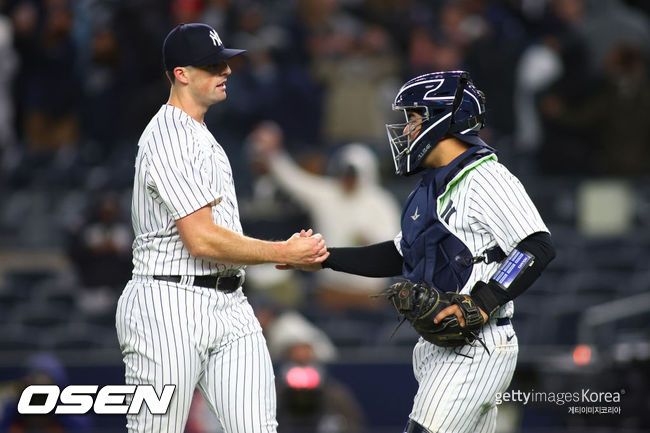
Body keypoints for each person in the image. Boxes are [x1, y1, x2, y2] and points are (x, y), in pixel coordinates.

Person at [281, 71, 556, 433]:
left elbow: (536, 245)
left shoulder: (486, 176)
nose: (407, 129)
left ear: (443, 120)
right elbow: (398, 255)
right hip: (438, 347)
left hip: (478, 346)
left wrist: (484, 300)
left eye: (414, 118)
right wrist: (324, 257)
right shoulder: (429, 186)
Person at [115, 22, 329, 433]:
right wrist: (283, 253)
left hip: (230, 303)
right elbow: (200, 238)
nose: (226, 71)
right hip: (168, 302)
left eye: (224, 63)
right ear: (182, 74)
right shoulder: (168, 136)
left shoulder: (200, 134)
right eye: (213, 66)